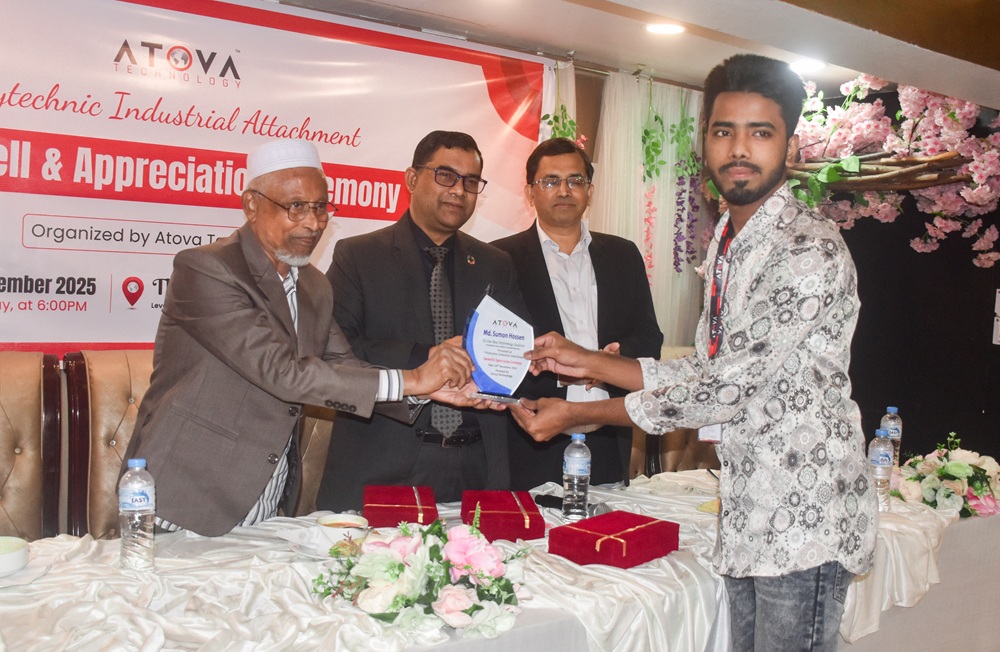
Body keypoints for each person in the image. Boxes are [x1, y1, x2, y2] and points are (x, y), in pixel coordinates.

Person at [510, 54, 876, 651]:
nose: (739, 148)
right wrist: (588, 360)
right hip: (747, 509)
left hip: (804, 514)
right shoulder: (730, 241)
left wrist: (580, 412)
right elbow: (705, 367)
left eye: (761, 132)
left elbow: (724, 389)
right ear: (705, 141)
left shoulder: (806, 247)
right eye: (724, 131)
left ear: (790, 146)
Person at [122, 139, 475, 537]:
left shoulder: (314, 285)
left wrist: (427, 390)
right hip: (189, 495)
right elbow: (282, 372)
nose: (313, 223)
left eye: (321, 207)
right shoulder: (207, 269)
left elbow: (344, 366)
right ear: (251, 205)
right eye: (296, 207)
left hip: (267, 501)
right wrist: (414, 378)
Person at [316, 130, 527, 511]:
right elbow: (334, 351)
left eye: (471, 181)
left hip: (477, 467)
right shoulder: (358, 256)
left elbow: (514, 352)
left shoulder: (496, 264)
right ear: (412, 179)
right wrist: (425, 358)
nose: (459, 191)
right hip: (384, 463)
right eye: (446, 176)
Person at [492, 137, 662, 489]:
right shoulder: (498, 260)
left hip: (609, 436)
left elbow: (649, 337)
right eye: (550, 181)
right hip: (533, 436)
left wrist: (611, 362)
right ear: (530, 192)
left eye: (575, 180)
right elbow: (495, 353)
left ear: (590, 191)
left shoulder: (623, 255)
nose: (564, 190)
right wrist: (564, 369)